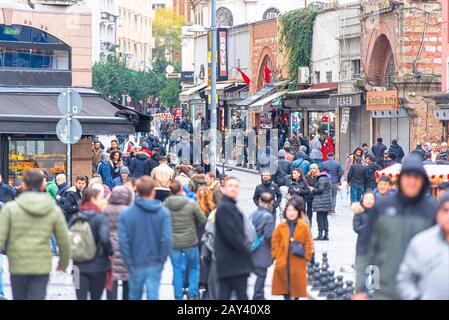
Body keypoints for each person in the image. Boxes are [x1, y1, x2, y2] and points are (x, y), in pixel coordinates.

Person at [354, 156, 438, 300]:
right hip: (385, 290)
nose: (412, 181)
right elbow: (366, 247)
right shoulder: (382, 206)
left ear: (423, 181)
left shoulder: (432, 211)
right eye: (408, 176)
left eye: (416, 177)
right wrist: (361, 287)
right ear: (401, 179)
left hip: (421, 291)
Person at [0, 169, 70, 300]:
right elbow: (64, 239)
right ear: (43, 185)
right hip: (41, 264)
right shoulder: (52, 209)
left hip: (18, 263)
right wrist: (63, 264)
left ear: (24, 185)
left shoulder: (10, 209)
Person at [119, 176, 173, 300]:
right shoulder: (163, 213)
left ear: (136, 190)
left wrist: (128, 261)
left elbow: (123, 241)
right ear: (153, 192)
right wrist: (161, 260)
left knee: (134, 295)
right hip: (154, 262)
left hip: (135, 261)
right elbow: (167, 239)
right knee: (153, 294)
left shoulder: (127, 214)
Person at [396, 194, 449, 300]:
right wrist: (415, 297)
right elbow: (404, 279)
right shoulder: (421, 243)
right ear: (437, 214)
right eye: (446, 210)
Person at [163, 180, 206, 300]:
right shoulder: (191, 203)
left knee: (176, 270)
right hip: (190, 241)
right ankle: (193, 293)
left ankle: (178, 296)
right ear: (181, 190)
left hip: (174, 242)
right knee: (194, 267)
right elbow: (202, 220)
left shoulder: (165, 204)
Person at [70, 187, 113, 300]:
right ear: (93, 199)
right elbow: (105, 238)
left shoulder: (75, 217)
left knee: (80, 297)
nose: (102, 200)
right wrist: (111, 252)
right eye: (100, 198)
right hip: (98, 265)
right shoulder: (101, 218)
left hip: (77, 266)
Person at [215, 177, 253, 300]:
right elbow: (231, 235)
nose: (233, 188)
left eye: (236, 186)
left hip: (231, 263)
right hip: (233, 262)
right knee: (240, 296)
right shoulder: (224, 207)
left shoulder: (231, 206)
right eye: (230, 185)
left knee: (225, 295)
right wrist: (247, 252)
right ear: (222, 188)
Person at [272, 196, 313, 300]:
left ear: (298, 212)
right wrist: (277, 255)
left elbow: (308, 243)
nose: (291, 213)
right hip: (283, 262)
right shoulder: (280, 227)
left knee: (296, 289)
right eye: (289, 210)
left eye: (294, 210)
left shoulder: (302, 226)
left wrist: (307, 257)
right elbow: (274, 242)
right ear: (285, 212)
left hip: (298, 261)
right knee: (285, 289)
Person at [103, 186, 134, 300]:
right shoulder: (129, 211)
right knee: (127, 279)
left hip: (109, 247)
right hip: (125, 247)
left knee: (111, 279)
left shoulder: (106, 210)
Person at [250, 192, 275, 300]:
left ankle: (260, 295)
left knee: (259, 273)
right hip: (262, 249)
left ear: (259, 201)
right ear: (271, 202)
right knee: (261, 275)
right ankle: (258, 296)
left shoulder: (253, 214)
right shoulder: (268, 216)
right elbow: (269, 236)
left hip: (252, 248)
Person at [196, 186, 216, 297]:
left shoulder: (194, 207)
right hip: (208, 237)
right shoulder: (213, 208)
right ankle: (206, 283)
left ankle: (196, 285)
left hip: (196, 237)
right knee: (207, 261)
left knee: (195, 263)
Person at [352, 192, 376, 267]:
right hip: (362, 244)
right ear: (362, 200)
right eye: (366, 198)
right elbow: (356, 228)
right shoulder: (359, 212)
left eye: (371, 199)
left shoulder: (378, 212)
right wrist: (368, 225)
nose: (369, 201)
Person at [310, 165, 332, 241]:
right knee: (324, 218)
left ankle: (320, 235)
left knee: (320, 218)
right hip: (325, 201)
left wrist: (313, 189)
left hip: (321, 201)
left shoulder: (322, 178)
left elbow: (320, 189)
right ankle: (325, 234)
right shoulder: (326, 178)